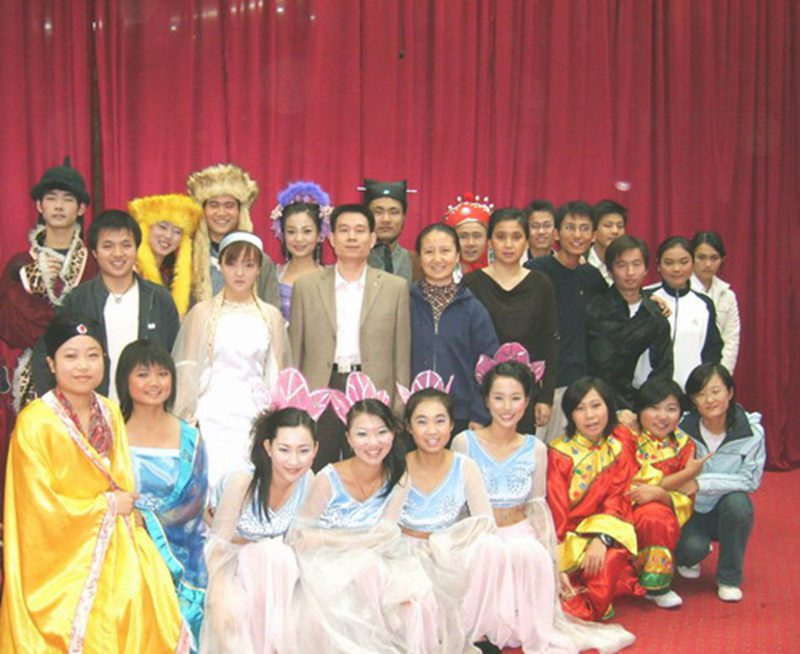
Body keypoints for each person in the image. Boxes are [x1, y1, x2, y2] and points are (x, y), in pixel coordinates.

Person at [0, 314, 190, 651]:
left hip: (114, 542)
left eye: (92, 355)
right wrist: (106, 506)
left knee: (146, 594)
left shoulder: (110, 411)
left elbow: (122, 483)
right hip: (58, 560)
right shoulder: (36, 423)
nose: (83, 366)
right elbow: (36, 509)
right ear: (51, 364)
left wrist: (118, 510)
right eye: (70, 356)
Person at [289, 373, 438, 653]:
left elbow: (386, 536)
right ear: (348, 438)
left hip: (379, 561)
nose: (373, 443)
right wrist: (340, 544)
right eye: (362, 434)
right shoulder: (328, 478)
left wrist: (346, 545)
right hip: (325, 565)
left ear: (393, 433)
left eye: (381, 432)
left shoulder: (399, 478)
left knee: (415, 601)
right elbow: (299, 536)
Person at [452, 346, 579, 653]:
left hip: (520, 530)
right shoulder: (464, 443)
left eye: (515, 398)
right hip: (479, 535)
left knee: (528, 552)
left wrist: (555, 562)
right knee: (488, 550)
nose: (507, 407)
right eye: (498, 398)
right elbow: (456, 506)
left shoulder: (536, 448)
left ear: (527, 400)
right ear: (486, 400)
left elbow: (538, 507)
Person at [201, 368, 326, 654]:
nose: (294, 461)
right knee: (271, 557)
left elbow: (300, 541)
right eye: (284, 450)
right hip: (228, 566)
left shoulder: (308, 480)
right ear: (268, 447)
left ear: (316, 449)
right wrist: (219, 598)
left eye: (303, 450)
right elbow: (216, 547)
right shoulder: (243, 481)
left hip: (274, 572)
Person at [290, 204, 410, 469]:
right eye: (344, 230)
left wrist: (399, 407)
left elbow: (401, 353)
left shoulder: (395, 288)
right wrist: (294, 402)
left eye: (360, 230)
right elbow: (295, 351)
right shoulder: (306, 287)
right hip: (321, 389)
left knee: (370, 467)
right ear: (332, 238)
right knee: (318, 466)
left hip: (373, 388)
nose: (352, 237)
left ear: (373, 238)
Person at [398, 378, 512, 653]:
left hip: (451, 552)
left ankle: (472, 633)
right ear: (409, 427)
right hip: (408, 553)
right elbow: (385, 525)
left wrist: (445, 546)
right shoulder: (398, 467)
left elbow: (485, 522)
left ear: (451, 425)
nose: (432, 431)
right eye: (422, 422)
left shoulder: (465, 466)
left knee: (491, 546)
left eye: (440, 421)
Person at [173, 231, 289, 490]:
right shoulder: (201, 313)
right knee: (210, 482)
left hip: (254, 415)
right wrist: (187, 419)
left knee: (248, 484)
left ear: (259, 269)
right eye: (232, 263)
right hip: (210, 413)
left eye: (248, 265)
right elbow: (187, 371)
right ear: (220, 265)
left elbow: (276, 374)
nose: (239, 273)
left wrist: (274, 421)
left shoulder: (271, 316)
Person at [30, 209, 180, 401]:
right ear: (94, 252)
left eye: (126, 245)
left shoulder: (159, 299)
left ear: (137, 249)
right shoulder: (77, 300)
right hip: (92, 410)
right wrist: (60, 407)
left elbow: (176, 356)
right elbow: (45, 355)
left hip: (147, 409)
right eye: (108, 246)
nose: (118, 254)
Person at [117, 339, 208, 643]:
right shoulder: (111, 435)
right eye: (143, 374)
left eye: (162, 374)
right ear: (125, 380)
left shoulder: (190, 438)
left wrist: (148, 522)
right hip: (121, 546)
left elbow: (194, 504)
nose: (154, 383)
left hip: (177, 553)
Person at [0, 157, 96, 412]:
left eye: (68, 199)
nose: (59, 206)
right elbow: (10, 326)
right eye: (51, 198)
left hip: (85, 374)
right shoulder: (20, 266)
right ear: (40, 206)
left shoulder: (94, 263)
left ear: (81, 208)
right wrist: (34, 278)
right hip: (33, 374)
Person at [547, 377, 643, 621]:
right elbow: (556, 513)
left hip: (606, 530)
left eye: (596, 405)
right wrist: (558, 563)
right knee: (566, 601)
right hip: (568, 538)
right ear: (570, 415)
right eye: (580, 408)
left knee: (610, 560)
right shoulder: (560, 454)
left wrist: (601, 538)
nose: (590, 416)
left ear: (609, 407)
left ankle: (595, 597)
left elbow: (619, 497)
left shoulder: (619, 442)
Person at [462, 208, 558, 434]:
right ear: (489, 242)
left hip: (523, 393)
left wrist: (545, 397)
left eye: (516, 237)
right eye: (501, 237)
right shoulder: (471, 283)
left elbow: (549, 342)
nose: (508, 245)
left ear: (526, 241)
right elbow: (464, 346)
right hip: (481, 395)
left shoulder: (540, 283)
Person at [675, 363, 765, 602]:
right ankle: (694, 550)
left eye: (715, 391)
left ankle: (729, 578)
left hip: (725, 505)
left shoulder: (752, 433)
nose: (709, 400)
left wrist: (701, 483)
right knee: (691, 550)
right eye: (701, 394)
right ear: (692, 400)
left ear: (730, 392)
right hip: (690, 508)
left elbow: (750, 480)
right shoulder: (681, 429)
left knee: (739, 505)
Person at [526, 201, 607, 442]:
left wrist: (651, 299)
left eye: (584, 228)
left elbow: (617, 304)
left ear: (594, 236)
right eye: (570, 227)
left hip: (579, 385)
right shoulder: (536, 271)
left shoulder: (591, 277)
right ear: (556, 233)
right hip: (544, 384)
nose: (577, 235)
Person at [410, 224, 499, 435]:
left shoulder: (473, 308)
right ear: (419, 258)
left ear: (457, 256)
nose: (437, 259)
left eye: (445, 251)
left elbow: (489, 366)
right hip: (413, 412)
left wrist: (480, 414)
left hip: (460, 414)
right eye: (429, 252)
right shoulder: (404, 303)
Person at [629, 377, 704, 609]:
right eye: (654, 408)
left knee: (656, 516)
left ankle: (656, 585)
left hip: (666, 514)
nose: (662, 417)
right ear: (640, 410)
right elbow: (629, 482)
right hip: (622, 507)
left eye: (671, 409)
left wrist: (660, 495)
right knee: (652, 515)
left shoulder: (685, 445)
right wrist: (675, 481)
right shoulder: (626, 437)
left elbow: (688, 492)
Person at [585, 235, 673, 411]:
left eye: (636, 264)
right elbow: (590, 367)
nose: (630, 272)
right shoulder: (593, 310)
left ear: (646, 269)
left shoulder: (655, 316)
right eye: (622, 265)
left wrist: (645, 410)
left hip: (641, 407)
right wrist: (615, 409)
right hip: (597, 404)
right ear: (610, 270)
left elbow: (662, 371)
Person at [187, 162, 280, 307]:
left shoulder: (261, 261)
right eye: (213, 205)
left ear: (240, 211)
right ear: (203, 210)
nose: (221, 213)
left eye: (229, 205)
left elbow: (273, 312)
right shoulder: (186, 260)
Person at [645, 236, 723, 388]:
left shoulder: (704, 304)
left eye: (684, 262)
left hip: (692, 391)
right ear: (658, 266)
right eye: (669, 263)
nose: (676, 269)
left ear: (693, 264)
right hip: (649, 392)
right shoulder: (646, 299)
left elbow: (712, 351)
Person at [128, 193, 203, 318]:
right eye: (162, 227)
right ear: (146, 228)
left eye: (177, 231)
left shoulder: (170, 275)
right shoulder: (128, 270)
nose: (168, 236)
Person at [269, 181, 332, 320]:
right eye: (291, 231)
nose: (299, 239)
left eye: (307, 231)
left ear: (319, 234)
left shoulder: (331, 278)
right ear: (282, 234)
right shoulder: (272, 276)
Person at [690, 231, 741, 373]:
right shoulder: (682, 290)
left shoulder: (727, 295)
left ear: (722, 259)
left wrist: (722, 374)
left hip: (716, 369)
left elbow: (731, 340)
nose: (708, 264)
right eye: (701, 257)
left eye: (714, 258)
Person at [363, 178, 414, 282]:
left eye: (394, 212)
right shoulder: (354, 259)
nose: (386, 219)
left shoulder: (418, 262)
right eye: (378, 212)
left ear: (404, 217)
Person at [442, 192, 493, 282]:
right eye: (463, 236)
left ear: (488, 239)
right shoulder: (440, 275)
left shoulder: (503, 275)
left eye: (477, 236)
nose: (470, 243)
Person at [586, 200, 627, 285]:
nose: (615, 231)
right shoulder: (580, 262)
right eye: (608, 226)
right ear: (594, 230)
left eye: (620, 226)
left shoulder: (628, 264)